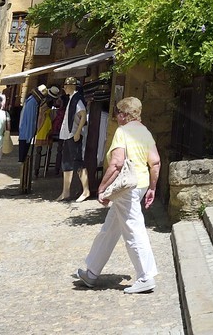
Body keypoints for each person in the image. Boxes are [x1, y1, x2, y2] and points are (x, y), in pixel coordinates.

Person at [74, 96, 162, 294]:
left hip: (126, 187)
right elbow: (155, 162)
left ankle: (145, 276)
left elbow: (117, 163)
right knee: (110, 228)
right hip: (140, 184)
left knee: (133, 229)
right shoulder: (145, 132)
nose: (116, 118)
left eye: (117, 114)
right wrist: (152, 188)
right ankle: (92, 272)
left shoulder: (122, 132)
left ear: (124, 115)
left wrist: (102, 188)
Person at [53, 77, 88, 202]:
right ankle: (65, 191)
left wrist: (77, 132)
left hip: (73, 134)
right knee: (66, 163)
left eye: (66, 86)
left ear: (71, 86)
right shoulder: (71, 99)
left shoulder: (77, 100)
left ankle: (86, 190)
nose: (64, 88)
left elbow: (83, 115)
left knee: (78, 162)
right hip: (67, 134)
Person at [17, 85, 44, 192]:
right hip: (26, 134)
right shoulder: (32, 103)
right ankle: (23, 184)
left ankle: (23, 184)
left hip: (24, 134)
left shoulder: (30, 101)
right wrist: (30, 135)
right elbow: (30, 120)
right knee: (24, 159)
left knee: (24, 158)